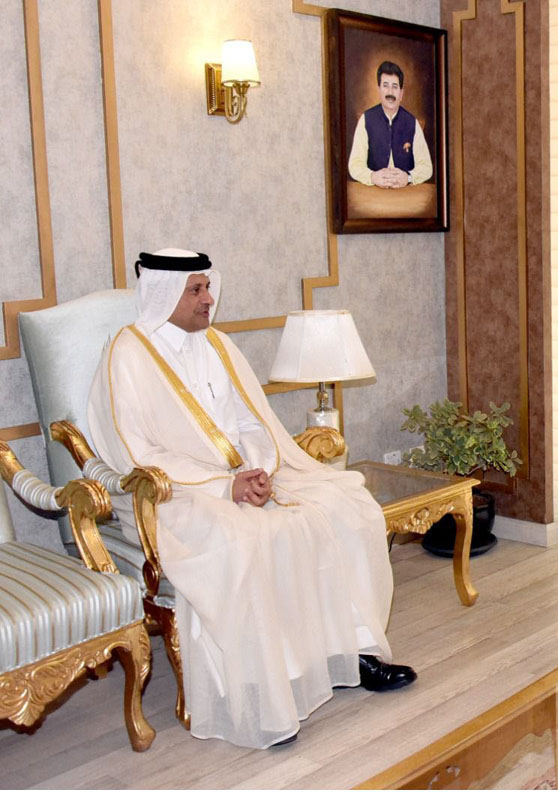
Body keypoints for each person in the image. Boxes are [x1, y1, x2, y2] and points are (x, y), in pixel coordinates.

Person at [86, 248, 416, 750]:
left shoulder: (217, 344)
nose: (208, 299)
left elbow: (252, 420)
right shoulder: (127, 354)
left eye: (206, 287)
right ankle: (265, 691)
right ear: (165, 293)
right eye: (196, 290)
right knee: (248, 538)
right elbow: (137, 451)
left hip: (243, 477)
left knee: (347, 510)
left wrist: (255, 468)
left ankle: (352, 654)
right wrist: (224, 487)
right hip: (175, 498)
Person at [347, 60, 433, 188]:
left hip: (406, 195)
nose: (390, 93)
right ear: (379, 89)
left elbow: (426, 167)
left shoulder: (412, 122)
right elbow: (354, 164)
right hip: (373, 194)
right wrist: (372, 177)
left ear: (401, 93)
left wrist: (408, 177)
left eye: (395, 87)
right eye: (385, 85)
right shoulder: (365, 119)